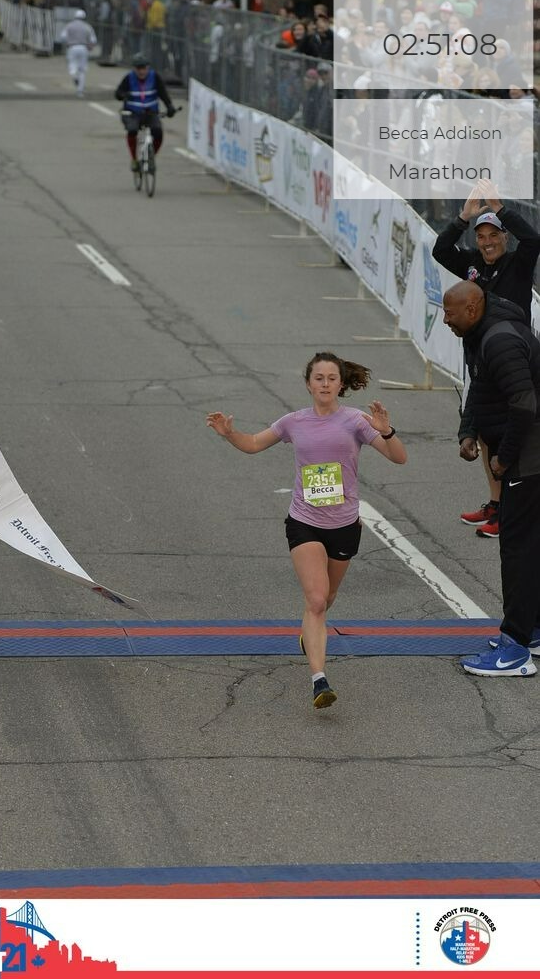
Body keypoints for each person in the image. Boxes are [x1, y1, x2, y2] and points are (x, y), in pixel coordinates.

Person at [206, 352, 407, 710]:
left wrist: (386, 431)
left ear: (341, 384)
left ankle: (309, 634)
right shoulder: (294, 422)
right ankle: (319, 681)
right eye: (319, 378)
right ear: (308, 384)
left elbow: (398, 457)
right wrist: (230, 434)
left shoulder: (357, 421)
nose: (325, 384)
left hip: (344, 525)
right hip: (304, 522)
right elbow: (253, 444)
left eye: (332, 378)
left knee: (326, 599)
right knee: (315, 600)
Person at [432, 178, 540, 538]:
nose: (488, 242)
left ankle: (509, 507)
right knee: (485, 428)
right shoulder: (473, 266)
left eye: (494, 235)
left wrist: (499, 207)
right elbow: (440, 250)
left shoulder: (517, 263)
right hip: (478, 357)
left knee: (513, 425)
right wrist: (463, 217)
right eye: (481, 236)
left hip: (510, 357)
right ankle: (496, 504)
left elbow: (534, 240)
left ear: (505, 237)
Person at [442, 281, 540, 676]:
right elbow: (480, 385)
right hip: (527, 454)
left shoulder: (499, 340)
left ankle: (515, 649)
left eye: (450, 313)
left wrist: (502, 459)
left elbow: (524, 404)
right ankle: (532, 630)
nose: (444, 320)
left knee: (518, 549)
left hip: (530, 457)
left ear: (472, 308)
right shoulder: (479, 331)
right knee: (529, 545)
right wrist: (468, 430)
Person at [114, 53, 176, 173]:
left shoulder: (155, 77)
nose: (141, 71)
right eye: (139, 68)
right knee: (132, 130)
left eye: (144, 68)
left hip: (151, 112)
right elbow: (118, 93)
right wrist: (123, 95)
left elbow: (163, 93)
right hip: (133, 113)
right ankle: (134, 159)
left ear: (148, 67)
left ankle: (151, 157)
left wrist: (169, 106)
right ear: (134, 68)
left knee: (158, 132)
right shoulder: (129, 78)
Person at [59, 9, 97, 99]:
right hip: (84, 48)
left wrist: (67, 42)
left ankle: (75, 77)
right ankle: (80, 91)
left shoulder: (69, 25)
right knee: (82, 70)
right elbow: (93, 40)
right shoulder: (87, 26)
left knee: (72, 65)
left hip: (72, 47)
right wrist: (90, 45)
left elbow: (63, 37)